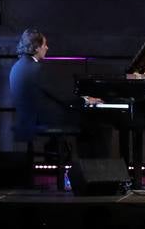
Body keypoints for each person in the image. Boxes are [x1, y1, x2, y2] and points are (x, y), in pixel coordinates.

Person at [8, 29, 105, 175]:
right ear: (36, 47)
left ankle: (88, 171)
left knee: (86, 121)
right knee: (94, 123)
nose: (47, 48)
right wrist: (84, 99)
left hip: (27, 119)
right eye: (45, 45)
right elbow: (61, 95)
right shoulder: (36, 69)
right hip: (43, 119)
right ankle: (94, 173)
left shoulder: (17, 67)